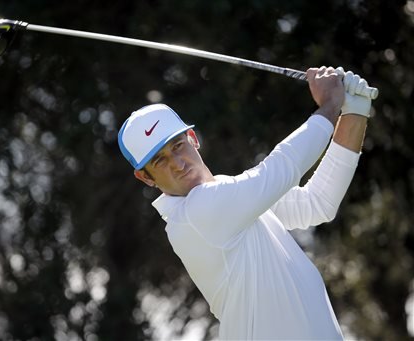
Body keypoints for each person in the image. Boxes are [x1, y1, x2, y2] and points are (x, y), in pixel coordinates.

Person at [118, 66, 374, 340]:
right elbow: (280, 168)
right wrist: (331, 104)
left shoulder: (231, 198)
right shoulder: (195, 213)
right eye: (160, 161)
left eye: (178, 146)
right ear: (145, 177)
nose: (178, 164)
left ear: (192, 139)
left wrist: (354, 112)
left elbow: (317, 203)